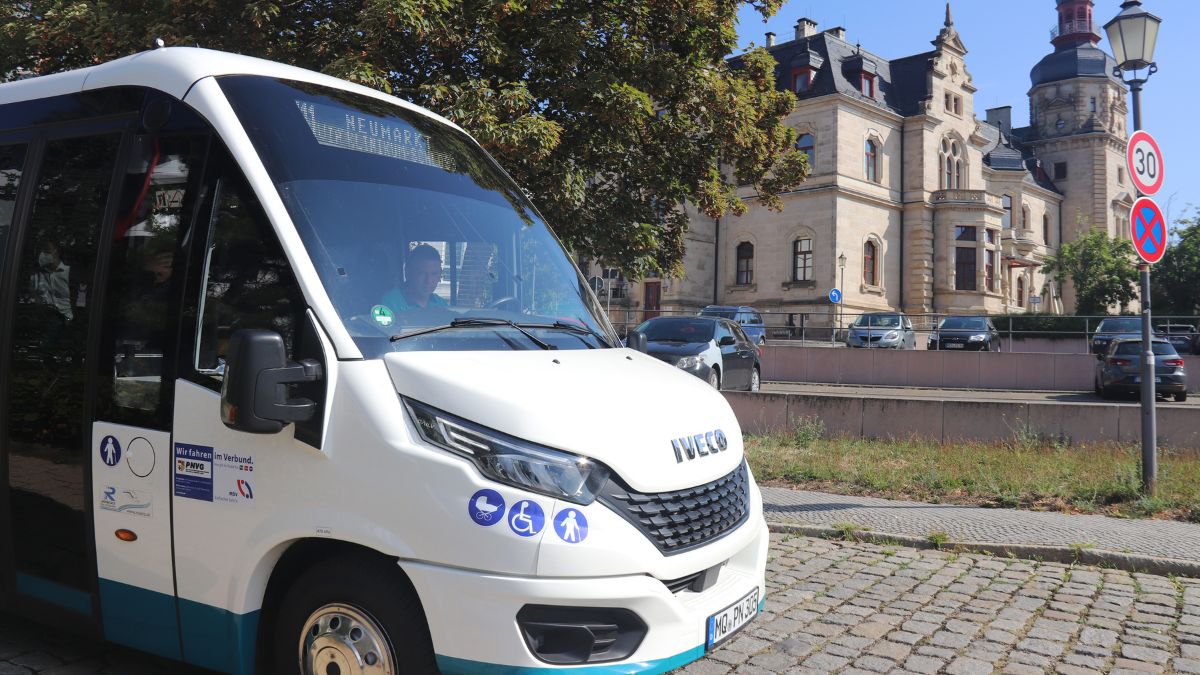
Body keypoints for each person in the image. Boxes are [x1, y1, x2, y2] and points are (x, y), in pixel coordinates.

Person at [382, 243, 448, 311]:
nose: (428, 280)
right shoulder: (390, 303)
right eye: (422, 273)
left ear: (440, 274)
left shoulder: (441, 304)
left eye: (434, 274)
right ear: (407, 273)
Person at [29, 240, 72, 322]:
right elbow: (34, 298)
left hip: (66, 324)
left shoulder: (69, 273)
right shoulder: (36, 276)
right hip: (42, 322)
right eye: (41, 251)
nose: (42, 254)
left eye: (47, 251)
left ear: (57, 252)